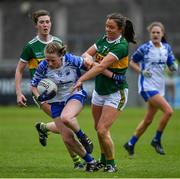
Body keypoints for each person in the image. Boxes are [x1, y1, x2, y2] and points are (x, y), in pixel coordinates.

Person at [15, 9, 84, 169]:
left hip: (63, 93)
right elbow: (19, 70)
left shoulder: (58, 42)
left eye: (47, 21)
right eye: (41, 22)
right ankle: (78, 162)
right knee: (66, 128)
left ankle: (43, 127)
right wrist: (19, 92)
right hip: (44, 94)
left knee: (64, 124)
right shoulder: (31, 46)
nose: (45, 25)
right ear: (36, 25)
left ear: (51, 23)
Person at [73, 13, 136, 172]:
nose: (107, 29)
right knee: (98, 129)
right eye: (106, 26)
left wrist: (81, 79)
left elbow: (100, 67)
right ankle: (102, 160)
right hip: (100, 90)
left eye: (111, 27)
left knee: (102, 129)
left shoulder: (121, 46)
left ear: (120, 29)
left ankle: (112, 164)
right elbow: (86, 54)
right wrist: (88, 58)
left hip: (116, 92)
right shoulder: (103, 39)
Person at [31, 41, 96, 172]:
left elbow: (93, 67)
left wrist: (88, 64)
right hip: (55, 103)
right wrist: (39, 97)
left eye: (52, 60)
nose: (49, 63)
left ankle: (83, 137)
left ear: (61, 56)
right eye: (47, 60)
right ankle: (91, 161)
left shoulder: (71, 60)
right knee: (67, 138)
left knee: (66, 117)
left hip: (74, 96)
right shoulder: (43, 66)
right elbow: (33, 86)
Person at [123, 21, 178, 156]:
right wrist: (141, 71)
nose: (155, 34)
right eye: (153, 32)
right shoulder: (145, 48)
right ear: (150, 34)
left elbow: (171, 64)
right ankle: (156, 140)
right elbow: (132, 62)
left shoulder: (166, 48)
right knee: (168, 111)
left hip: (160, 86)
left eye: (158, 32)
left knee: (148, 120)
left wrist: (173, 67)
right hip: (147, 86)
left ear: (162, 34)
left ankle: (130, 143)